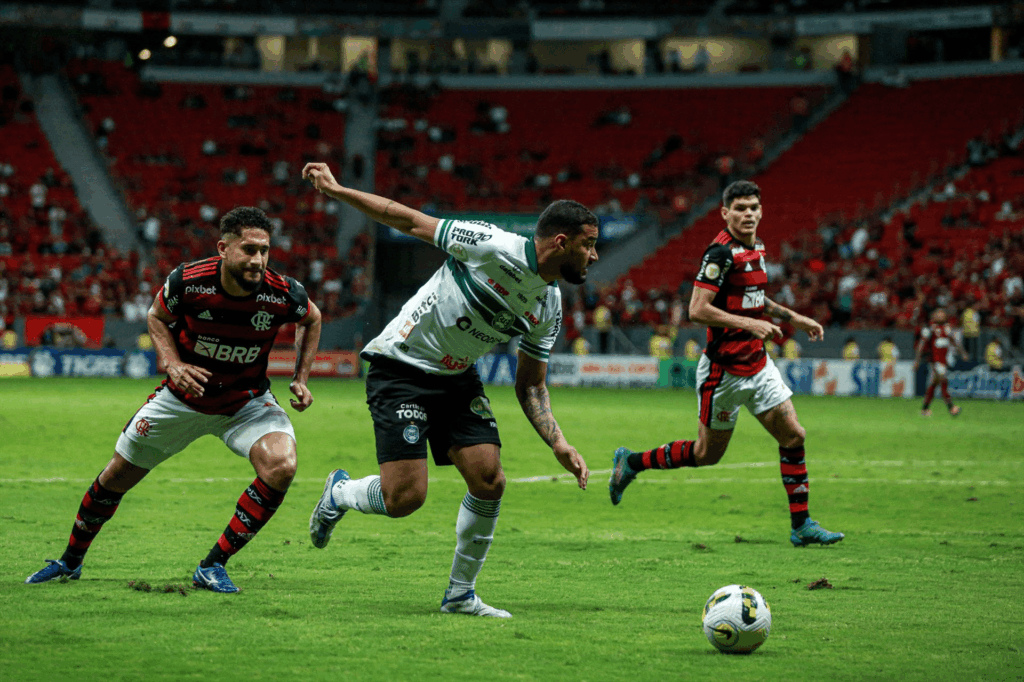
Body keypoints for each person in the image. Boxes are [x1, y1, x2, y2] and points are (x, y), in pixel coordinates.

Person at [302, 161, 594, 618]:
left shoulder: (549, 305)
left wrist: (558, 441)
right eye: (588, 244)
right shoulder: (491, 244)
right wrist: (338, 191)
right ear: (561, 242)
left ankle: (460, 594)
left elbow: (531, 385)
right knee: (405, 499)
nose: (593, 256)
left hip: (457, 378)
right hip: (401, 367)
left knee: (490, 479)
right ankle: (340, 493)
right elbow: (407, 219)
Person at [25, 207, 322, 592]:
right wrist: (173, 363)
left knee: (282, 465)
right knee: (115, 477)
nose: (258, 260)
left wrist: (301, 377)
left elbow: (312, 319)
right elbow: (156, 317)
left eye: (264, 251)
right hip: (182, 400)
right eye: (249, 250)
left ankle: (212, 566)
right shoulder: (189, 282)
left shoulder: (282, 292)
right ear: (223, 248)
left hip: (245, 403)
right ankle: (70, 561)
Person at [608, 180, 844, 548]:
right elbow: (697, 309)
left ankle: (802, 526)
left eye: (753, 207)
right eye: (740, 208)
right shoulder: (719, 254)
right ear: (725, 213)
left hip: (758, 364)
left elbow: (755, 298)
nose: (748, 214)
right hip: (724, 372)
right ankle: (632, 462)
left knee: (794, 436)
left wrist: (794, 318)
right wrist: (751, 325)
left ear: (761, 211)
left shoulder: (757, 247)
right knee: (706, 455)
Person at [913, 308, 968, 417]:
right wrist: (917, 360)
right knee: (943, 381)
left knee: (934, 384)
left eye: (943, 314)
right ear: (933, 316)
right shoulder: (929, 328)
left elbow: (954, 341)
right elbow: (921, 345)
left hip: (943, 361)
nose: (941, 316)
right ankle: (951, 408)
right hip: (934, 360)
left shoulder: (947, 328)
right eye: (938, 314)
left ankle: (925, 409)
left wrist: (962, 353)